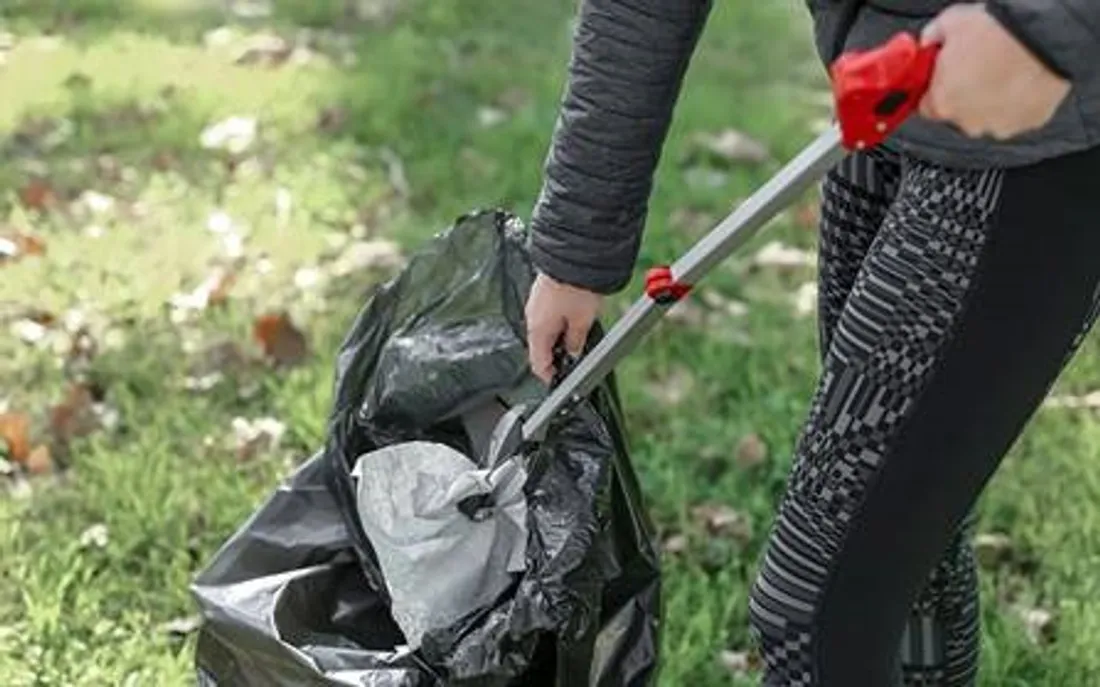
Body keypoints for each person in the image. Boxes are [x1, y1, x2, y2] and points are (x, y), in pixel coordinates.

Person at [522, 1, 1100, 685]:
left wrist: (1052, 25)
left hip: (1045, 126)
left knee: (814, 607)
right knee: (905, 548)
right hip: (893, 86)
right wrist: (574, 250)